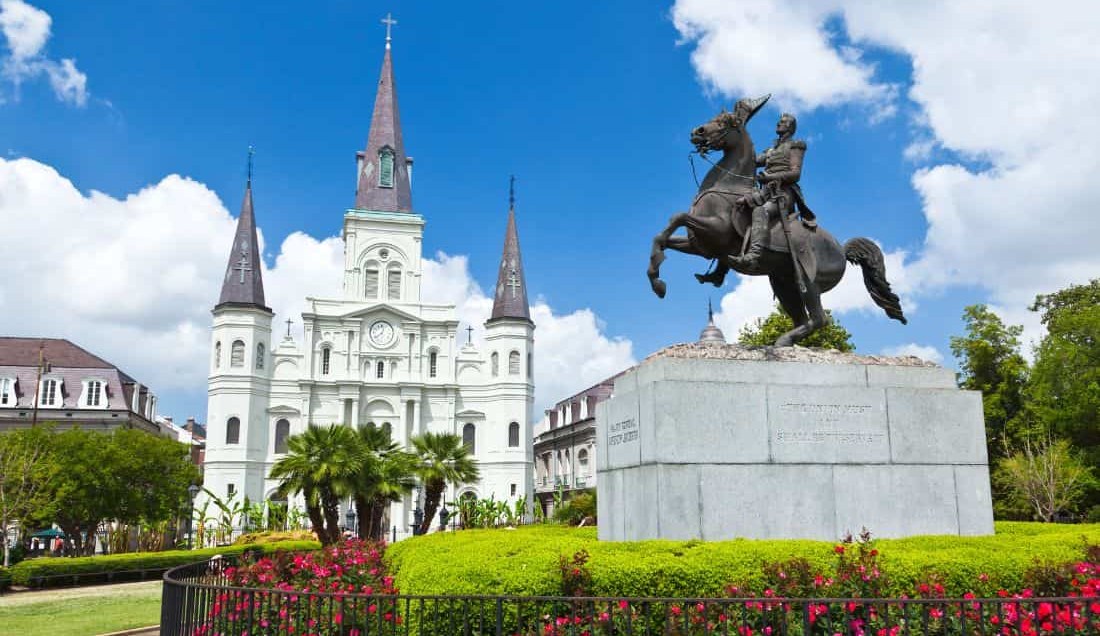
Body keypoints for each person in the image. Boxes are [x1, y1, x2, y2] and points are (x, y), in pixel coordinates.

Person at [729, 113, 817, 269]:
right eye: (779, 122)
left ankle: (753, 256)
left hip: (783, 195)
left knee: (760, 211)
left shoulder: (796, 145)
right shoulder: (771, 149)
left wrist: (769, 177)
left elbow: (795, 174)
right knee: (736, 208)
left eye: (782, 122)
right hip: (766, 192)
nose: (778, 124)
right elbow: (752, 161)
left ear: (789, 127)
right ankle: (720, 269)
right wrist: (736, 139)